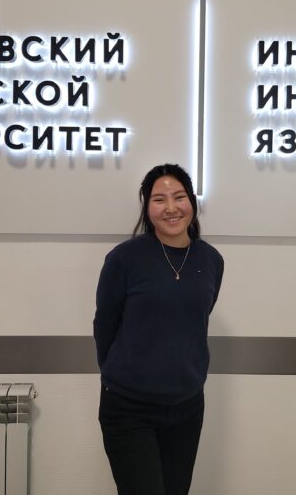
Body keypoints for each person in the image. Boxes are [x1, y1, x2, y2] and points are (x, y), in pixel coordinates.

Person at [93, 163, 224, 495]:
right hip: (129, 408)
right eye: (159, 199)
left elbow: (195, 320)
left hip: (187, 406)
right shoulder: (124, 259)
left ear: (191, 202)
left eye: (179, 197)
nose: (171, 207)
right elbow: (105, 325)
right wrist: (122, 374)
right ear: (146, 206)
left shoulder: (210, 260)